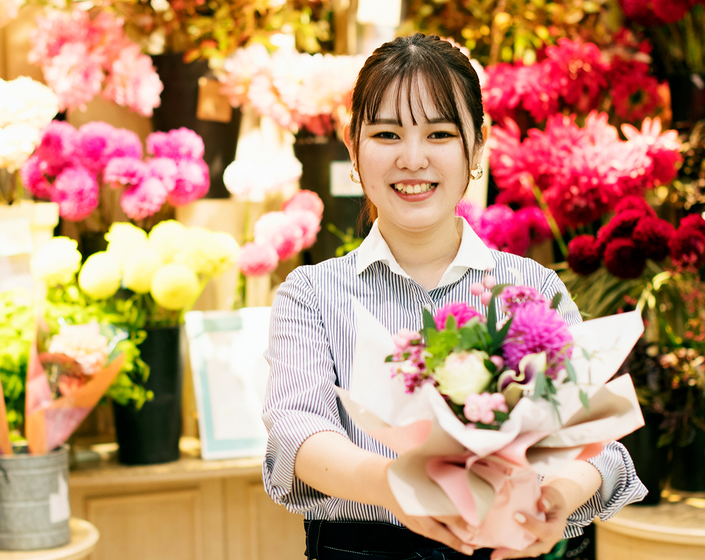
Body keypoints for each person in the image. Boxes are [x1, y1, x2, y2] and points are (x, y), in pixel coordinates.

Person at [262, 33, 646, 560]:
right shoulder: (312, 294)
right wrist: (396, 486)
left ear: (478, 146)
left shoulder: (531, 289)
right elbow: (296, 430)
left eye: (439, 133)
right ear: (353, 148)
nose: (413, 159)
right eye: (387, 134)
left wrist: (558, 496)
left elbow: (597, 443)